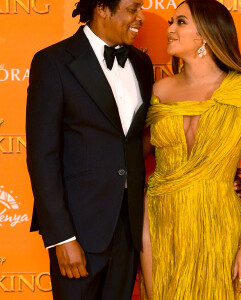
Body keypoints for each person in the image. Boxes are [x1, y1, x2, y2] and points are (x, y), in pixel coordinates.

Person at [140, 0, 241, 299]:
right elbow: (130, 156)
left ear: (207, 34)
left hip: (220, 222)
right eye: (171, 22)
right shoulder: (157, 92)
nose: (170, 29)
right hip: (160, 222)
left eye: (181, 22)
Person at [26, 0, 154, 299]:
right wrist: (61, 237)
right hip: (78, 229)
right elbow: (42, 155)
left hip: (128, 227)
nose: (141, 17)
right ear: (102, 8)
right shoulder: (54, 61)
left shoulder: (141, 63)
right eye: (133, 8)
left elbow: (134, 141)